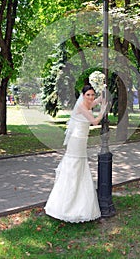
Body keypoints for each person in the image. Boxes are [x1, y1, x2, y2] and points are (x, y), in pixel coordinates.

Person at [44, 84, 107, 223]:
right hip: (77, 142)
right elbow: (95, 122)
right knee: (74, 167)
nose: (91, 97)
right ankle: (66, 206)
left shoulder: (87, 104)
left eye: (92, 95)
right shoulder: (81, 107)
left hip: (81, 141)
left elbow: (96, 101)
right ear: (83, 95)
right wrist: (102, 111)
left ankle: (80, 202)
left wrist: (102, 90)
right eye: (88, 95)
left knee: (79, 168)